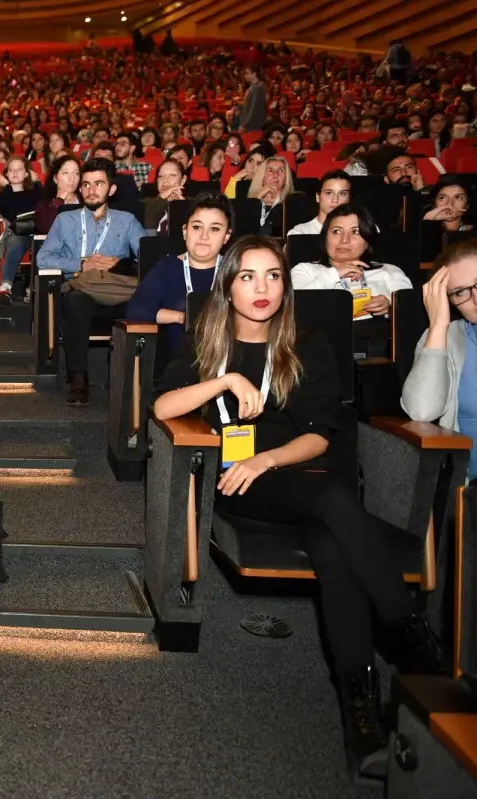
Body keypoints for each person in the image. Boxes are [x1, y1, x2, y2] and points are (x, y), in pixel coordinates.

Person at [153, 235, 446, 779]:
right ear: (227, 286)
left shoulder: (306, 342)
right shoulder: (205, 341)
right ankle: (410, 636)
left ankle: (360, 714)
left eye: (273, 277)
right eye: (248, 276)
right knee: (335, 501)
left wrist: (268, 459)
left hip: (296, 473)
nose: (262, 288)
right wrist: (226, 378)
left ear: (286, 287)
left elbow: (320, 436)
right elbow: (164, 404)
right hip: (242, 486)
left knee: (334, 547)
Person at [36, 157, 146, 406]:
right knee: (75, 301)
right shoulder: (66, 220)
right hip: (83, 291)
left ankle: (138, 380)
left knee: (145, 303)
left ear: (112, 189)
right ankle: (78, 379)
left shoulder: (126, 220)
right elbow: (43, 258)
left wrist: (117, 264)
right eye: (85, 184)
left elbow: (149, 258)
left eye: (98, 184)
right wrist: (80, 264)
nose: (91, 190)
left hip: (117, 291)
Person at [291, 204, 412, 356]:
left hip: (375, 354)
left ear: (367, 240)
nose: (344, 240)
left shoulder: (388, 271)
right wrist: (335, 274)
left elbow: (411, 314)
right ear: (325, 237)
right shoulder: (305, 270)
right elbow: (295, 306)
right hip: (319, 353)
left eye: (355, 232)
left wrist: (389, 308)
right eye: (336, 231)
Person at [127, 194, 233, 357]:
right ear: (185, 231)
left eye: (215, 229)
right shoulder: (168, 267)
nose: (204, 236)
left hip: (225, 358)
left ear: (226, 236)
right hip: (177, 363)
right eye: (197, 227)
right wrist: (183, 317)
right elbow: (136, 309)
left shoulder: (236, 270)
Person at [401, 241, 477, 465]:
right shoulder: (445, 339)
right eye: (460, 292)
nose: (475, 298)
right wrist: (437, 325)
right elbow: (422, 412)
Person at [0, 156, 43, 302]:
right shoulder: (2, 195)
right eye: (11, 170)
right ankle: (5, 287)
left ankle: (34, 287)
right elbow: (8, 210)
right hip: (18, 233)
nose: (15, 173)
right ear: (6, 174)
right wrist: (8, 187)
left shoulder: (34, 191)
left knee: (43, 246)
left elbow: (43, 203)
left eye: (19, 169)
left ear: (27, 173)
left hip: (36, 231)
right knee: (16, 243)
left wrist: (37, 182)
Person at [287, 170, 351, 236]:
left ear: (349, 199)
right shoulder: (300, 233)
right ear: (318, 197)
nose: (335, 200)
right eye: (329, 193)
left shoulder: (358, 233)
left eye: (342, 193)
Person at [246, 156, 294, 233]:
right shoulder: (246, 204)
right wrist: (256, 198)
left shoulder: (290, 206)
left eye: (281, 170)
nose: (275, 175)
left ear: (285, 179)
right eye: (270, 170)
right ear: (262, 177)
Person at [240, 65, 267, 132]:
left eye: (247, 73)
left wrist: (244, 124)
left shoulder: (259, 87)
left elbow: (253, 108)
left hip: (253, 124)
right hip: (249, 123)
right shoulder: (253, 87)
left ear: (254, 74)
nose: (245, 75)